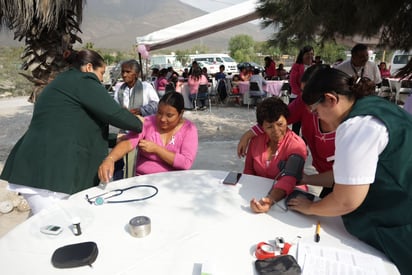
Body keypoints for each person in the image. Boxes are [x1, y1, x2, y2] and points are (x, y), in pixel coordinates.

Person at [288, 67, 412, 275]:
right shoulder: (377, 107)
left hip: (401, 223)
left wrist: (310, 207)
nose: (318, 120)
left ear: (330, 99)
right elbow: (348, 175)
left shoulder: (356, 126)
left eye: (316, 112)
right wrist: (309, 178)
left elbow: (346, 200)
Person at [0, 49, 143, 214]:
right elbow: (114, 113)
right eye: (101, 73)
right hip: (49, 173)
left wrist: (113, 138)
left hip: (39, 168)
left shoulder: (64, 82)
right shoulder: (83, 80)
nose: (102, 79)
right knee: (59, 228)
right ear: (89, 67)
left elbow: (75, 127)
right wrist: (142, 124)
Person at [238, 65, 336, 198]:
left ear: (330, 97)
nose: (303, 97)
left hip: (345, 182)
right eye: (302, 91)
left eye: (309, 93)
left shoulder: (350, 126)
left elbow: (289, 178)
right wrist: (248, 135)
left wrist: (271, 199)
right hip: (328, 178)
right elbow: (275, 116)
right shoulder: (303, 103)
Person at [98, 92, 198, 180]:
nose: (162, 119)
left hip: (173, 182)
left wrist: (156, 149)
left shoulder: (189, 129)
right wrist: (110, 159)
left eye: (169, 115)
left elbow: (185, 163)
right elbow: (128, 142)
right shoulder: (148, 122)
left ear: (181, 113)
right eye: (159, 113)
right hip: (143, 180)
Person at [247, 97, 308, 213]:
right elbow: (249, 169)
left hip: (287, 199)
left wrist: (269, 201)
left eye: (280, 124)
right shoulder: (255, 141)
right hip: (258, 194)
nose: (276, 130)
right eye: (269, 127)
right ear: (262, 127)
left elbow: (289, 179)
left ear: (287, 120)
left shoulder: (297, 145)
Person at [112, 59, 159, 179]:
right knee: (117, 158)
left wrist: (140, 110)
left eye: (128, 71)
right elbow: (115, 107)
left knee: (138, 162)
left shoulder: (146, 87)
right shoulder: (120, 89)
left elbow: (157, 105)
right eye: (123, 71)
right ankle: (119, 183)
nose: (124, 75)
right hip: (124, 129)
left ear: (136, 74)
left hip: (143, 130)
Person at [289, 45, 314, 135]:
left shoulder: (314, 67)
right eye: (307, 54)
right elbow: (293, 82)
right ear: (302, 55)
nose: (310, 56)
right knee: (296, 124)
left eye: (312, 54)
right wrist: (301, 94)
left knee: (307, 124)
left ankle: (304, 145)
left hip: (310, 99)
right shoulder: (297, 66)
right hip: (297, 97)